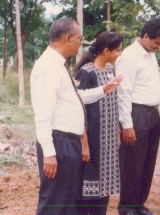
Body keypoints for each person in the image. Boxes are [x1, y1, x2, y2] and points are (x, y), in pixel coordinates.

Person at [30, 18, 91, 215]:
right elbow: (42, 114)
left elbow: (71, 99)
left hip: (68, 143)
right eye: (79, 38)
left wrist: (103, 90)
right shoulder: (47, 67)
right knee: (54, 203)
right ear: (67, 38)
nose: (80, 42)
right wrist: (49, 152)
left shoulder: (58, 65)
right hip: (58, 143)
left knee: (66, 201)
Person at [115, 17, 160, 215]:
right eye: (156, 43)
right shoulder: (129, 56)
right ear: (145, 36)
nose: (159, 47)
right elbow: (123, 92)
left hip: (152, 113)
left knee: (148, 162)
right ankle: (127, 206)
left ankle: (139, 204)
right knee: (132, 163)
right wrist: (127, 125)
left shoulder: (150, 55)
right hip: (136, 113)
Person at [74, 31, 124, 215]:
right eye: (117, 50)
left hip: (109, 140)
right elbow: (79, 108)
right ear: (106, 51)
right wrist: (84, 142)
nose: (120, 53)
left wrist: (117, 132)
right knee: (88, 187)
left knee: (104, 188)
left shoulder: (111, 71)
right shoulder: (87, 72)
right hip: (93, 139)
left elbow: (114, 104)